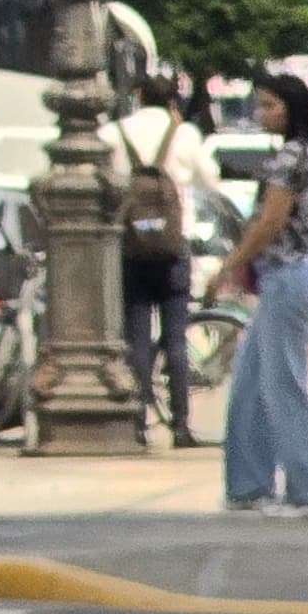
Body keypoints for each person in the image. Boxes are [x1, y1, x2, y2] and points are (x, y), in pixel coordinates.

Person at [208, 71, 308, 517]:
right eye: (259, 105)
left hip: (290, 277)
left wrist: (229, 263)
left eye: (269, 106)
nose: (262, 114)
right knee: (249, 382)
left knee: (282, 387)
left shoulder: (289, 158)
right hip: (304, 275)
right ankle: (248, 487)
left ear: (291, 108)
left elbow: (269, 222)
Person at [120, 74, 198, 450]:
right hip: (172, 249)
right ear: (172, 101)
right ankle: (180, 426)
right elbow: (209, 180)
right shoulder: (184, 135)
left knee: (135, 338)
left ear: (138, 96)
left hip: (132, 247)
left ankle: (137, 422)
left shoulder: (114, 132)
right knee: (176, 340)